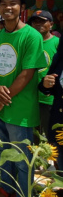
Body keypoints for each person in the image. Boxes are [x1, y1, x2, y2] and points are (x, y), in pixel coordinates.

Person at [0, 0, 47, 197]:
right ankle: (6, 190)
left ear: (22, 8)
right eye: (3, 4)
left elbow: (27, 74)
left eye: (13, 3)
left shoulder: (31, 36)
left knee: (21, 158)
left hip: (19, 107)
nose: (7, 7)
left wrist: (1, 100)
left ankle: (23, 194)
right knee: (3, 153)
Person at [28, 10, 59, 138]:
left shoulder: (57, 43)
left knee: (51, 137)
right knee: (32, 136)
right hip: (29, 97)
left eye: (42, 21)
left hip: (49, 99)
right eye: (35, 21)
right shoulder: (28, 43)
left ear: (51, 24)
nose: (37, 24)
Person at [39, 38, 63, 169]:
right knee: (60, 158)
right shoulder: (59, 58)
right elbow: (46, 86)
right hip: (58, 119)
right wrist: (45, 84)